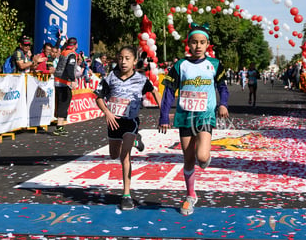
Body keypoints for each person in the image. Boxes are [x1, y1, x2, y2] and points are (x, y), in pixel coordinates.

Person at [158, 23, 229, 216]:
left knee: (202, 156)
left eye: (202, 43)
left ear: (208, 45)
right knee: (188, 159)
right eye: (194, 42)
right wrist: (164, 115)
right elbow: (169, 92)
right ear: (188, 44)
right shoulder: (180, 65)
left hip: (205, 115)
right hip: (184, 116)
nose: (198, 46)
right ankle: (190, 195)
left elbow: (223, 87)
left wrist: (223, 104)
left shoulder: (214, 65)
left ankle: (205, 157)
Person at [94, 46, 161, 210]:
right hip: (113, 122)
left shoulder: (141, 79)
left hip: (130, 121)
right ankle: (137, 140)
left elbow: (155, 92)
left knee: (125, 156)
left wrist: (164, 113)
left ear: (134, 61)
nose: (123, 62)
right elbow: (99, 97)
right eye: (121, 58)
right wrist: (107, 113)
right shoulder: (110, 78)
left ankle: (126, 195)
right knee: (113, 155)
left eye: (127, 58)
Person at [52, 37, 79, 136]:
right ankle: (59, 127)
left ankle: (60, 126)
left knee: (60, 103)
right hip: (64, 82)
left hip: (57, 80)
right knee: (64, 103)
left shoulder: (64, 51)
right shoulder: (71, 54)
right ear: (76, 45)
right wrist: (72, 80)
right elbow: (70, 67)